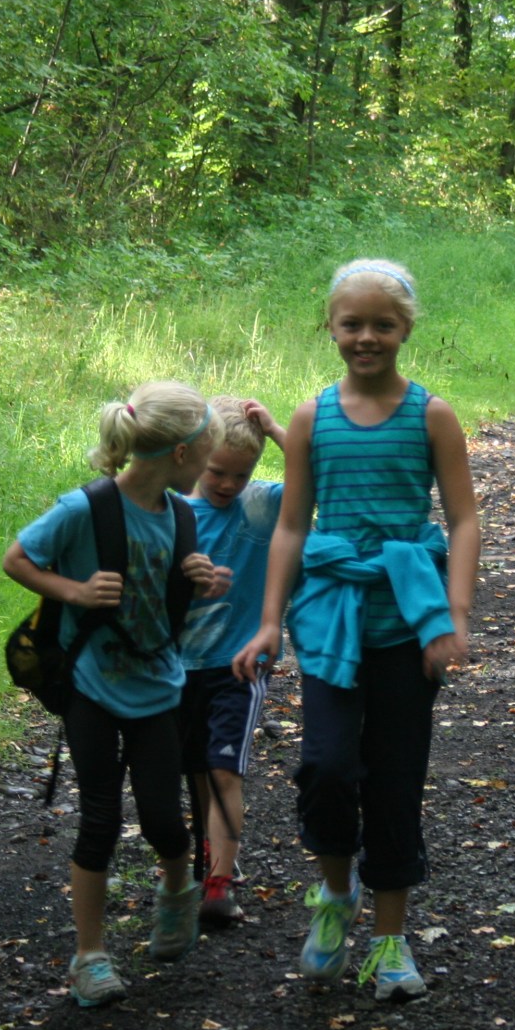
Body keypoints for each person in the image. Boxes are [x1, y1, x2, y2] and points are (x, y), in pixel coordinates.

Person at [233, 259, 479, 1002]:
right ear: (331, 327)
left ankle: (391, 941)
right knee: (330, 768)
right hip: (332, 622)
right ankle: (334, 898)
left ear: (406, 329)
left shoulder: (430, 414)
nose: (366, 337)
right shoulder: (312, 417)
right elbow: (292, 526)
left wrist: (454, 616)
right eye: (352, 324)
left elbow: (464, 518)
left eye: (382, 324)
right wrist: (270, 620)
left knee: (397, 780)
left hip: (408, 625)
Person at [2, 380, 226, 1008]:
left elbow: (165, 584)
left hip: (159, 686)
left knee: (161, 816)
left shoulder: (182, 514)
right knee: (99, 818)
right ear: (181, 454)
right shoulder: (85, 509)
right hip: (91, 686)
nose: (210, 465)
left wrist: (199, 579)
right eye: (208, 451)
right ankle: (90, 956)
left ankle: (178, 888)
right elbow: (16, 558)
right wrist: (72, 592)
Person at [179, 396, 289, 928]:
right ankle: (213, 855)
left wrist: (275, 428)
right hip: (177, 667)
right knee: (197, 771)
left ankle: (218, 882)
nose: (226, 484)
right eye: (216, 471)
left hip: (239, 665)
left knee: (225, 769)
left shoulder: (264, 505)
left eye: (240, 474)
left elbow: (322, 481)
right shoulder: (173, 510)